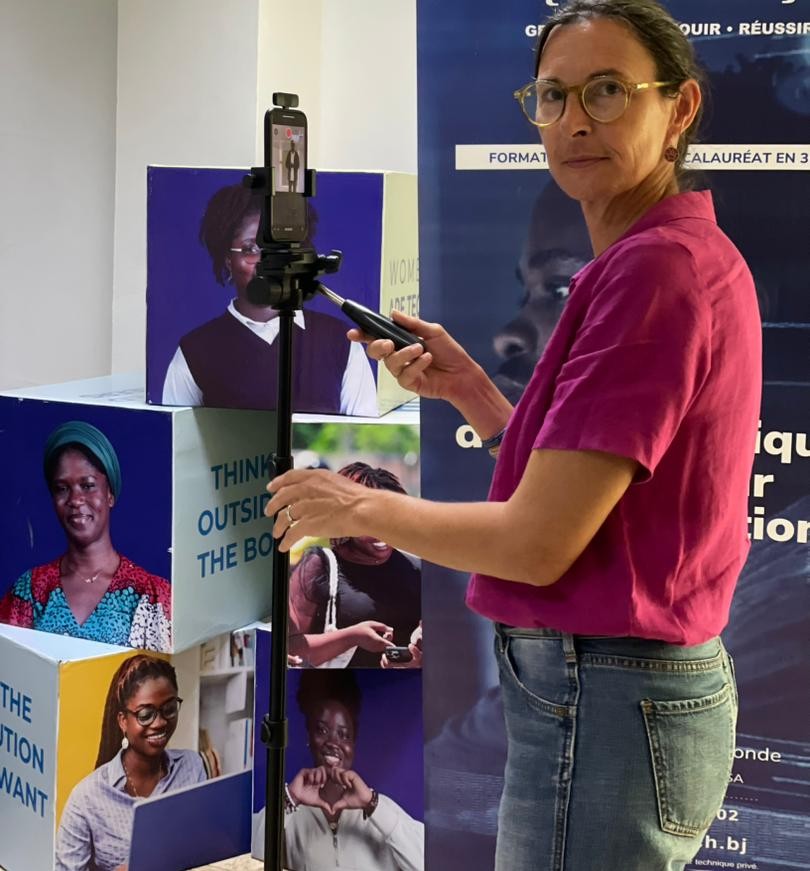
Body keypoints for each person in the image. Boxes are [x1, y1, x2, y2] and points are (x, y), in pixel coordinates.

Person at [265, 1, 762, 868]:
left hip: (610, 698)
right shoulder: (665, 254)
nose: (574, 121)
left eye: (608, 91)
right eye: (553, 95)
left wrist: (358, 505)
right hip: (621, 697)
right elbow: (605, 496)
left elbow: (536, 542)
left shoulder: (654, 270)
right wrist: (478, 397)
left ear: (679, 108)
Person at [161, 183, 378, 415]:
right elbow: (178, 441)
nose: (267, 263)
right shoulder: (195, 351)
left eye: (279, 249)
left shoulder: (341, 342)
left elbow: (361, 441)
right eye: (250, 249)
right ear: (227, 259)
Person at [0, 421, 172, 651]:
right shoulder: (29, 592)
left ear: (110, 494)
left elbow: (169, 681)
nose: (75, 499)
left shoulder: (152, 596)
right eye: (62, 488)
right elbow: (9, 676)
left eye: (88, 485)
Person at [254, 670, 424, 869]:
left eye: (344, 735)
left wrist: (372, 805)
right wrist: (288, 799)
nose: (333, 742)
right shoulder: (288, 813)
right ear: (309, 738)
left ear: (354, 745)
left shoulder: (381, 809)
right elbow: (252, 860)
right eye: (322, 730)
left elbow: (426, 863)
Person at [55, 655, 207, 871]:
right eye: (146, 715)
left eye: (170, 709)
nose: (161, 722)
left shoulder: (192, 766)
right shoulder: (87, 798)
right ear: (122, 721)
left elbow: (204, 844)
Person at [288, 462, 421, 668]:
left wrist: (419, 660)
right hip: (336, 697)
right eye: (370, 521)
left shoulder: (419, 570)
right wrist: (352, 637)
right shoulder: (319, 567)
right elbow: (290, 649)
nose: (383, 531)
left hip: (403, 695)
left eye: (391, 519)